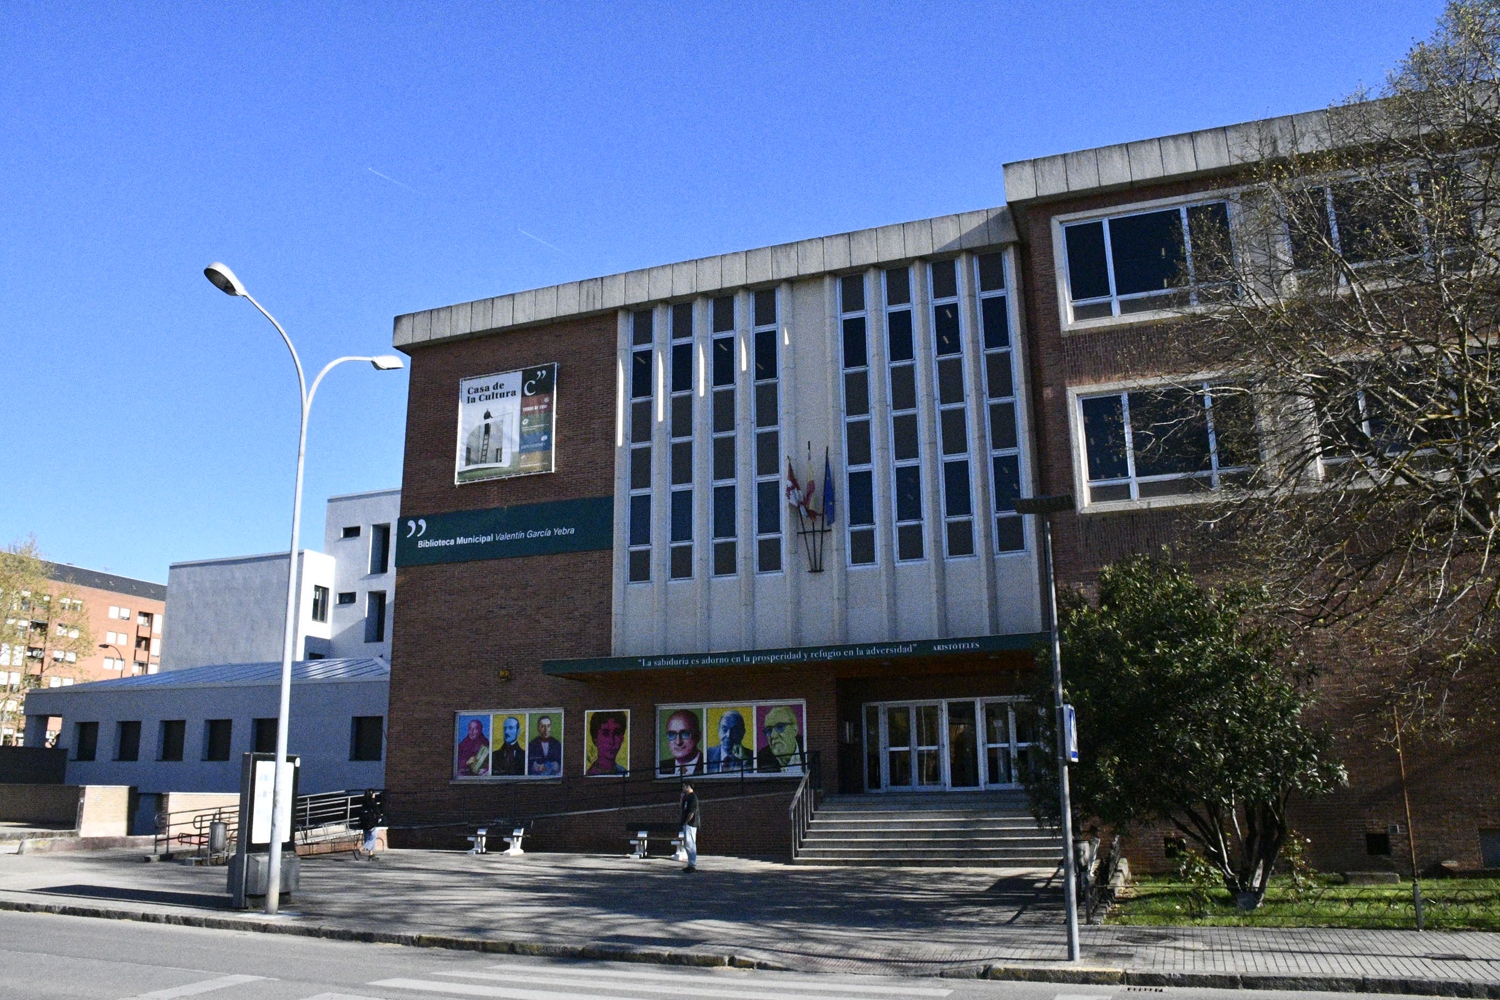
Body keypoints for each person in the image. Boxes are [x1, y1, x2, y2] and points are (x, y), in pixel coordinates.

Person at [758, 705, 804, 772]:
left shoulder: (806, 746)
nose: (773, 735)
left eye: (780, 727)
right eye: (768, 730)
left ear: (795, 729)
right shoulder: (762, 758)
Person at [658, 709, 704, 775]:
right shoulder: (661, 767)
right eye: (672, 734)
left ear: (698, 736)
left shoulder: (711, 765)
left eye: (685, 734)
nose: (678, 742)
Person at [586, 711, 628, 775]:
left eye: (617, 733)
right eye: (605, 733)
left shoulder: (624, 773)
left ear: (622, 738)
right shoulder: (588, 775)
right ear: (595, 739)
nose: (611, 741)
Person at [678, 781, 699, 873]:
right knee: (687, 844)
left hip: (691, 824)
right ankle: (690, 864)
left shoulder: (693, 798)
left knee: (690, 844)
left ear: (688, 786)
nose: (683, 788)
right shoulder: (687, 797)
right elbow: (681, 807)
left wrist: (686, 822)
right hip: (686, 824)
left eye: (684, 786)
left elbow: (691, 812)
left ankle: (692, 864)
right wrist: (681, 798)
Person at [357, 789, 383, 860]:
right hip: (371, 823)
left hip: (364, 823)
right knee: (373, 838)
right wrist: (379, 818)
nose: (375, 795)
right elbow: (377, 811)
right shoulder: (372, 802)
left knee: (368, 838)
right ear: (372, 794)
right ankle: (360, 849)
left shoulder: (364, 802)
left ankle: (371, 854)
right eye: (374, 793)